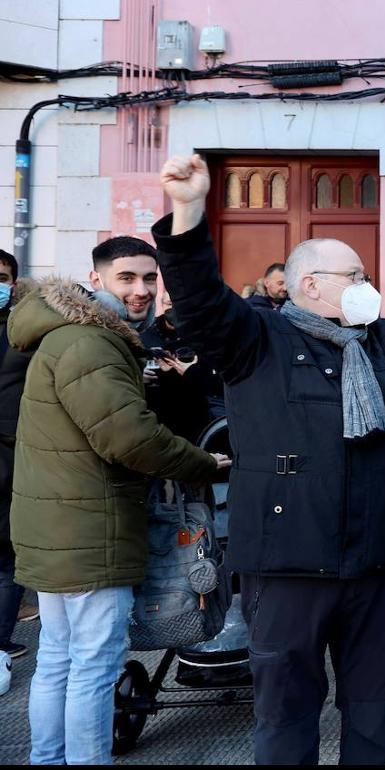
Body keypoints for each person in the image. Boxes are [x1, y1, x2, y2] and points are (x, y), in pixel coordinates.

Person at [151, 153, 385, 764]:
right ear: (309, 285)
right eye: (353, 276)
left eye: (364, 275)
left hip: (374, 567)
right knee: (287, 716)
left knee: (375, 714)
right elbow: (199, 302)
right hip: (288, 567)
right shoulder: (258, 340)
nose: (365, 286)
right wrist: (189, 211)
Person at [9, 268, 226, 764]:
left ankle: (49, 759)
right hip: (91, 528)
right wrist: (203, 462)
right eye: (130, 281)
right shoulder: (92, 344)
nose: (144, 293)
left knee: (58, 659)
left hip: (58, 525)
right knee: (94, 664)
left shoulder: (57, 339)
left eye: (150, 280)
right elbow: (129, 437)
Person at [141, 285, 225, 442]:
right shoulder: (146, 333)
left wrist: (193, 371)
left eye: (180, 305)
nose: (174, 310)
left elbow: (217, 380)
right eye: (169, 304)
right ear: (162, 304)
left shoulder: (202, 334)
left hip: (194, 413)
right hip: (159, 413)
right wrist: (140, 374)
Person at [0, 250, 32, 661]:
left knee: (8, 560)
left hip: (10, 465)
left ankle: (2, 642)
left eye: (3, 277)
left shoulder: (20, 335)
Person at [89, 236, 159, 331]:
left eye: (149, 279)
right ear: (96, 281)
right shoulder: (90, 341)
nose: (142, 292)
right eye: (127, 278)